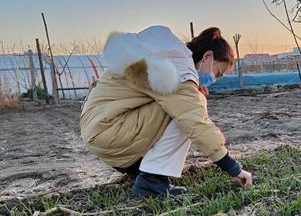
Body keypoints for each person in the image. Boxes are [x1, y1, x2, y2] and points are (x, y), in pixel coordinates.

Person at [80, 25, 252, 197]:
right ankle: (151, 180)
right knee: (192, 107)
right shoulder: (179, 70)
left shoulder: (167, 53)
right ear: (208, 56)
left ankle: (142, 173)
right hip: (110, 130)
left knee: (188, 102)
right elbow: (196, 122)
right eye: (218, 72)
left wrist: (192, 89)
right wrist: (234, 168)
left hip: (101, 127)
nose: (214, 79)